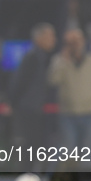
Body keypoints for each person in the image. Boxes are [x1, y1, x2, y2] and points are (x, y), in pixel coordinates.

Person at [48, 29, 91, 151]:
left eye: (76, 41)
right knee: (67, 149)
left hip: (89, 112)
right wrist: (63, 61)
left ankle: (85, 171)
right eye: (70, 42)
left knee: (88, 151)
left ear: (83, 42)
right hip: (67, 113)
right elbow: (53, 80)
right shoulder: (59, 61)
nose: (74, 45)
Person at [8, 23, 57, 152]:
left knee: (35, 146)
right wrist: (11, 104)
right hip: (27, 110)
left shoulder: (43, 58)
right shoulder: (32, 57)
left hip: (35, 109)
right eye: (50, 36)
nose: (53, 39)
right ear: (39, 38)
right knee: (26, 147)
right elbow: (19, 82)